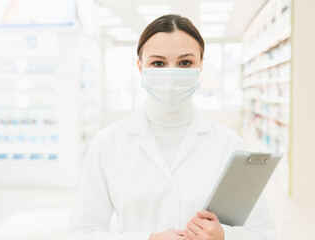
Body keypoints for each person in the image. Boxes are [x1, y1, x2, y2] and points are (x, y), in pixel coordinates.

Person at [66, 14, 275, 240]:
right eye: (158, 63)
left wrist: (225, 236)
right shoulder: (107, 142)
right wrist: (148, 239)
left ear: (201, 65)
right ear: (140, 66)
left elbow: (263, 233)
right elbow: (81, 233)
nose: (171, 73)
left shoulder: (229, 144)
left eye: (185, 62)